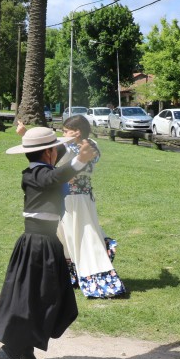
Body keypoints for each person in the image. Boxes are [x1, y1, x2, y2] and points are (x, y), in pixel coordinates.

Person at [0, 126, 97, 359]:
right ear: (47, 153)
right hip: (37, 246)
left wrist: (68, 141)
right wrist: (80, 159)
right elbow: (54, 177)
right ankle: (10, 352)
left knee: (45, 298)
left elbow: (57, 159)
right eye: (53, 149)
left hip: (47, 243)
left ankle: (26, 351)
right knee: (35, 299)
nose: (57, 152)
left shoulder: (43, 166)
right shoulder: (35, 174)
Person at [57, 115, 126, 298]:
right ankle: (72, 274)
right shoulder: (93, 145)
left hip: (73, 199)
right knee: (70, 235)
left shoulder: (69, 147)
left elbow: (57, 161)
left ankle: (95, 278)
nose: (63, 134)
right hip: (81, 197)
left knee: (82, 235)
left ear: (77, 132)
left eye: (66, 131)